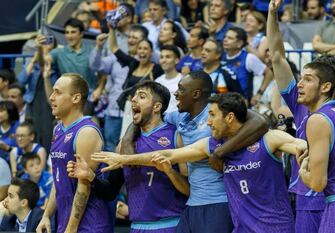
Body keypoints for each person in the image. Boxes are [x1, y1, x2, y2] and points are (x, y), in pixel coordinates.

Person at [93, 92, 305, 232]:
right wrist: (124, 158)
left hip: (276, 227)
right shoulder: (211, 144)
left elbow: (301, 146)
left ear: (230, 117)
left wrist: (306, 163)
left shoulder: (269, 139)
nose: (209, 121)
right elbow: (168, 155)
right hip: (242, 228)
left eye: (212, 115)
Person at [267, 0, 335, 231]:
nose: (300, 84)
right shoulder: (303, 103)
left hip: (333, 192)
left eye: (308, 78)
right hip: (320, 198)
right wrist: (272, 15)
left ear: (330, 83)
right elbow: (277, 57)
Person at [69, 81, 189, 232]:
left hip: (171, 224)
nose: (133, 99)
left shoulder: (174, 136)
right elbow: (111, 191)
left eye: (142, 96)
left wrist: (170, 172)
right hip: (137, 227)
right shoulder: (124, 146)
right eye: (134, 96)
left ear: (157, 107)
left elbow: (188, 189)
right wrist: (90, 176)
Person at [36, 73, 113, 233]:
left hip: (90, 224)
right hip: (65, 221)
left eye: (58, 92)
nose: (51, 97)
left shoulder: (86, 132)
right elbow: (58, 177)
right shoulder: (58, 129)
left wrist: (71, 229)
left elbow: (84, 186)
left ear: (76, 98)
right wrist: (46, 215)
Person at [89, 24, 148, 152]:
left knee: (134, 148)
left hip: (136, 113)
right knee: (110, 147)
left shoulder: (147, 60)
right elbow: (96, 66)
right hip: (114, 111)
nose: (131, 40)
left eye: (135, 38)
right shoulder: (118, 57)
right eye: (130, 37)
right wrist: (98, 47)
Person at [222, 27, 273, 105]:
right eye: (225, 37)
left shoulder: (249, 58)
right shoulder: (219, 56)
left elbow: (269, 73)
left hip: (242, 104)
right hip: (222, 102)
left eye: (230, 38)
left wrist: (259, 94)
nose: (225, 40)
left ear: (239, 43)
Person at [156, 45, 182, 114]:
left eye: (168, 57)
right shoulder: (157, 81)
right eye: (161, 57)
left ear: (177, 60)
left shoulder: (183, 80)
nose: (163, 60)